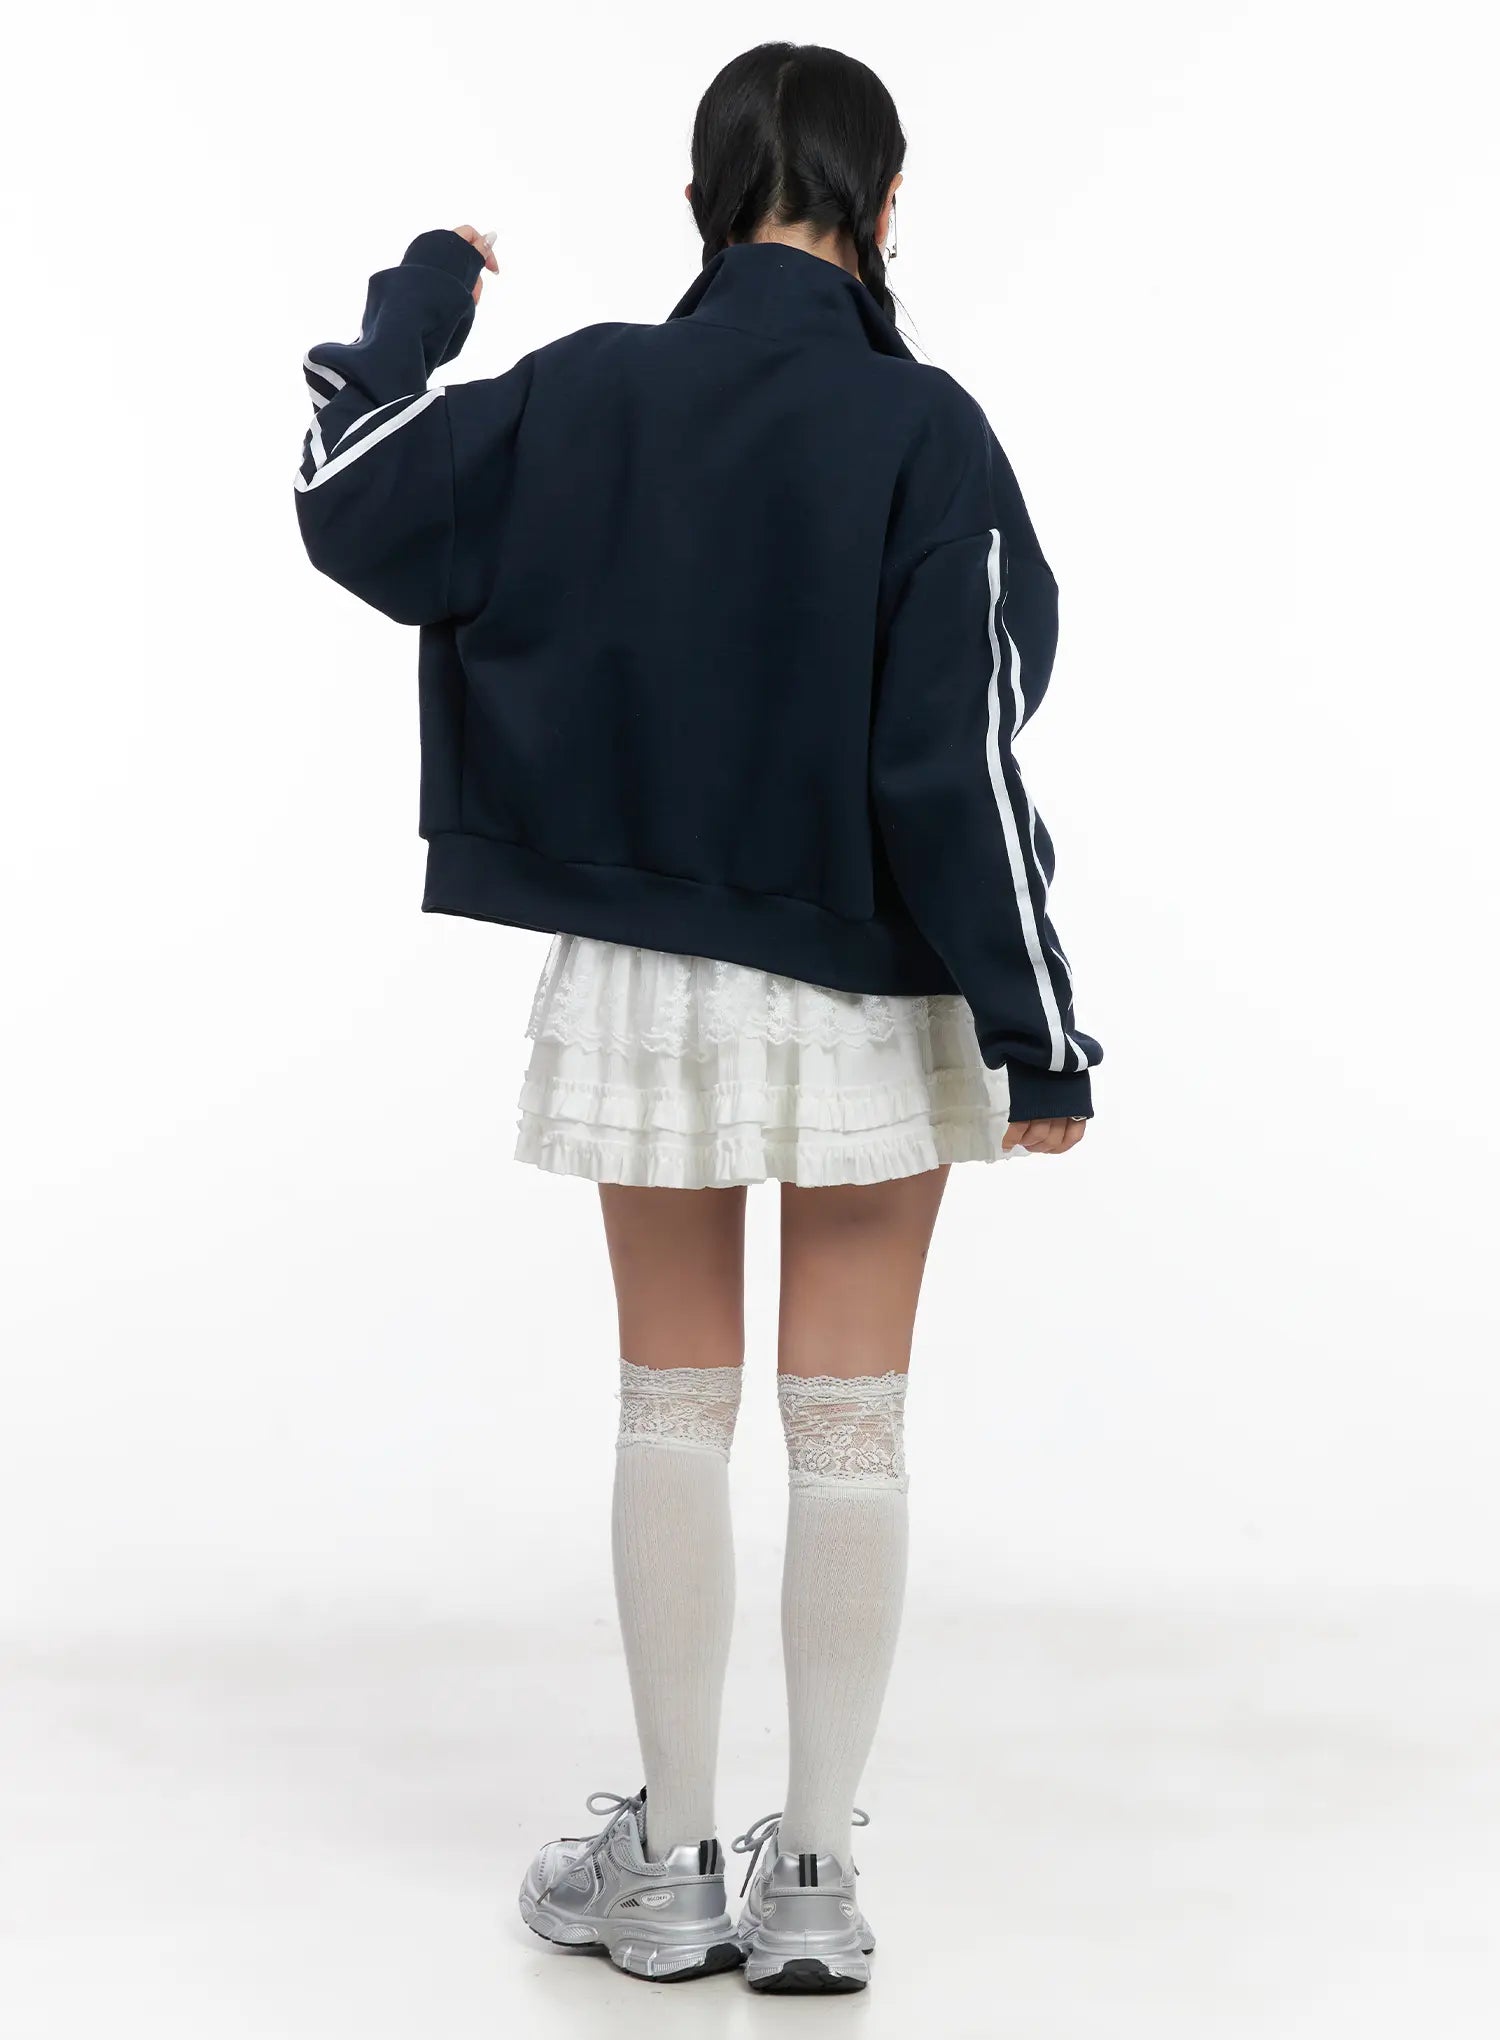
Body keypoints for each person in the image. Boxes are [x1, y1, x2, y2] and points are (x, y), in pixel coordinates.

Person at [295, 39, 1100, 1998]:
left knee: (671, 1398)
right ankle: (811, 1874)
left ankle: (663, 1865)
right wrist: (1038, 1028)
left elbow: (352, 494)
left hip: (649, 975)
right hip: (873, 974)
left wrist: (427, 291)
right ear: (884, 209)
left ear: (698, 204)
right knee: (853, 1422)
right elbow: (959, 751)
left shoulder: (579, 395)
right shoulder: (927, 434)